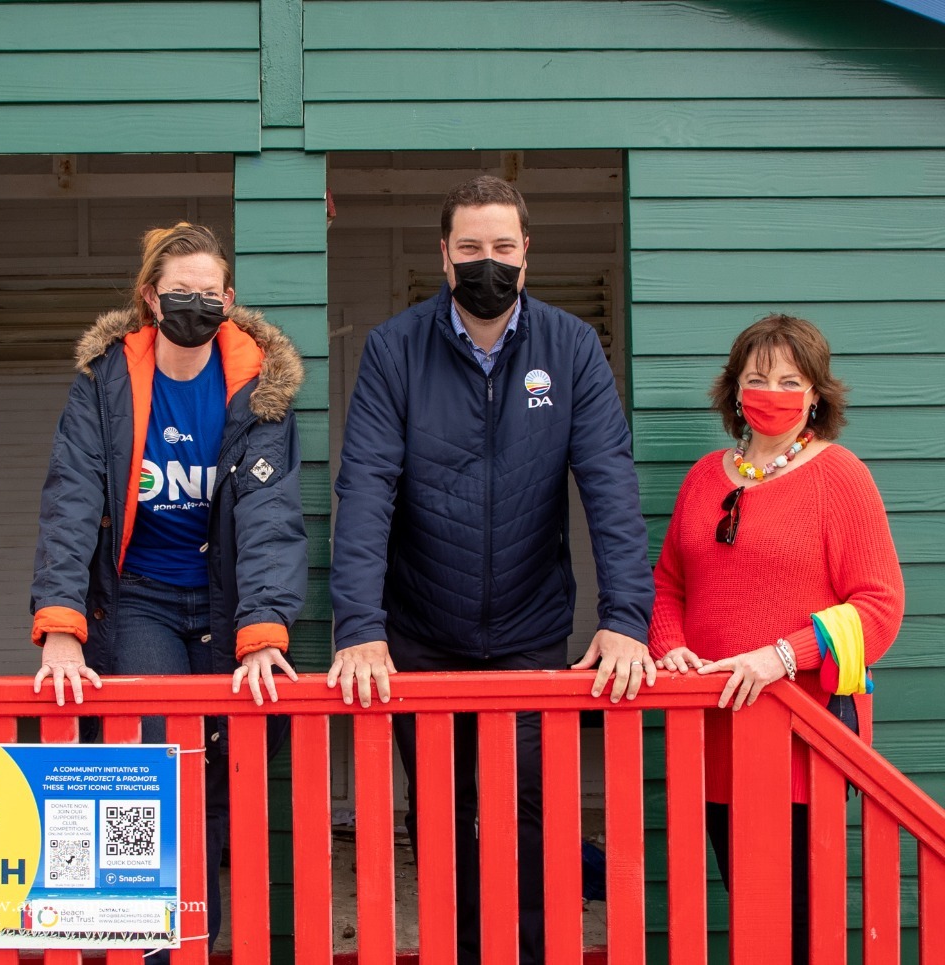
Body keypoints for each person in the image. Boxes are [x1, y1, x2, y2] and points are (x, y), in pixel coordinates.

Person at [328, 175, 655, 965]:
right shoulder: (394, 348)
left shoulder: (571, 347)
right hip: (421, 634)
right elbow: (366, 485)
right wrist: (361, 629)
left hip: (529, 631)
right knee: (443, 818)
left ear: (526, 254)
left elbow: (609, 481)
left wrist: (626, 620)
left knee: (530, 816)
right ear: (444, 256)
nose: (487, 264)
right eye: (470, 248)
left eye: (502, 249)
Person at [29, 222, 308, 950]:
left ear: (229, 299)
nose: (194, 303)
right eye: (179, 291)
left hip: (222, 602)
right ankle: (141, 939)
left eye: (208, 293)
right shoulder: (106, 380)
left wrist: (262, 633)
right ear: (151, 297)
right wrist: (61, 626)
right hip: (143, 596)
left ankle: (195, 934)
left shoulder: (258, 384)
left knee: (220, 765)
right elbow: (70, 499)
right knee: (153, 762)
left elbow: (272, 514)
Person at [649, 313, 904, 963]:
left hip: (802, 741)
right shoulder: (706, 477)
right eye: (757, 377)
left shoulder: (840, 476)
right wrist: (670, 645)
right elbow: (667, 582)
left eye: (790, 379)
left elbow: (879, 606)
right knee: (748, 908)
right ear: (735, 388)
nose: (772, 391)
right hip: (712, 734)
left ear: (816, 393)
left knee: (798, 926)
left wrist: (781, 655)